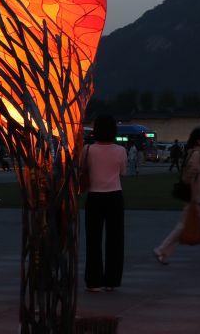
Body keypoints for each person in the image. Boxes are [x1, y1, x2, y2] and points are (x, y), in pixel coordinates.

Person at [153, 126, 200, 265]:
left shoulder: (193, 151)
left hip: (195, 196)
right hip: (196, 196)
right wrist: (193, 191)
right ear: (199, 140)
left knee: (183, 226)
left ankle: (161, 250)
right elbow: (192, 170)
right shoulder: (197, 153)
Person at [82, 114, 126, 291]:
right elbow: (122, 171)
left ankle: (93, 282)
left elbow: (83, 169)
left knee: (93, 240)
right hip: (115, 196)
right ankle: (112, 281)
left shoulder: (87, 150)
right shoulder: (121, 150)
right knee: (115, 240)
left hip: (94, 197)